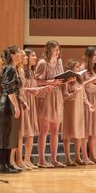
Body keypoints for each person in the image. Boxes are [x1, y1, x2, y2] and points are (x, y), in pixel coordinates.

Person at [35, 40, 66, 168]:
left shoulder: (59, 62)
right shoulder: (43, 63)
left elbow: (62, 78)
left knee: (55, 129)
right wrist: (51, 82)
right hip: (46, 96)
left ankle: (53, 159)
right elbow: (36, 81)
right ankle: (41, 160)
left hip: (57, 96)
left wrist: (67, 79)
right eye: (56, 50)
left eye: (59, 50)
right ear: (49, 50)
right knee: (44, 129)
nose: (58, 53)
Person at [0, 45, 22, 174]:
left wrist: (19, 103)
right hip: (5, 103)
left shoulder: (13, 68)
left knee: (10, 135)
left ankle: (7, 163)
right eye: (18, 53)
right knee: (3, 135)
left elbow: (15, 89)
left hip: (9, 102)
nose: (20, 55)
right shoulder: (9, 68)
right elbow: (8, 88)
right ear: (12, 55)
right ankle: (1, 166)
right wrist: (16, 106)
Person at [62, 58, 92, 166]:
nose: (79, 69)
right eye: (76, 67)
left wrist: (88, 104)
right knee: (68, 134)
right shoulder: (66, 81)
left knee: (79, 133)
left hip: (79, 109)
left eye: (79, 67)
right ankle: (68, 158)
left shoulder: (80, 80)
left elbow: (84, 96)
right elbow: (65, 96)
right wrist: (74, 93)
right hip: (69, 109)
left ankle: (77, 157)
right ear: (71, 69)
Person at [81, 47, 96, 164]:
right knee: (86, 130)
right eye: (94, 55)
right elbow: (80, 86)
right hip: (87, 100)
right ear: (88, 56)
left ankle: (93, 156)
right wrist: (91, 81)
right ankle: (85, 156)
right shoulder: (82, 70)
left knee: (93, 130)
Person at [20, 48, 41, 169]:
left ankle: (27, 159)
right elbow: (20, 89)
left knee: (31, 133)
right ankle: (20, 160)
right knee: (23, 132)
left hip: (31, 102)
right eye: (32, 56)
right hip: (24, 102)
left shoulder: (32, 72)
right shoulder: (21, 70)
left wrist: (41, 89)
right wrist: (30, 90)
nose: (35, 58)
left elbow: (33, 88)